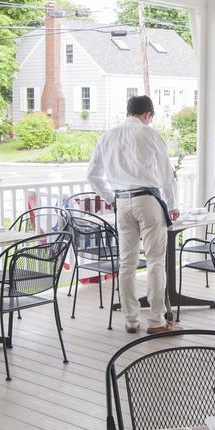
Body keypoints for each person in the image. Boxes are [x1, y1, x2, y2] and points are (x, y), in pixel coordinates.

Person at [87, 95, 181, 334]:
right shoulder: (149, 134)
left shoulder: (107, 136)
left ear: (128, 112)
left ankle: (131, 320)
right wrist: (172, 204)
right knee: (155, 262)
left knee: (126, 263)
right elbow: (167, 175)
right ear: (147, 115)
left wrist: (111, 198)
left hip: (122, 203)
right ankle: (157, 321)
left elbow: (93, 175)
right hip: (147, 201)